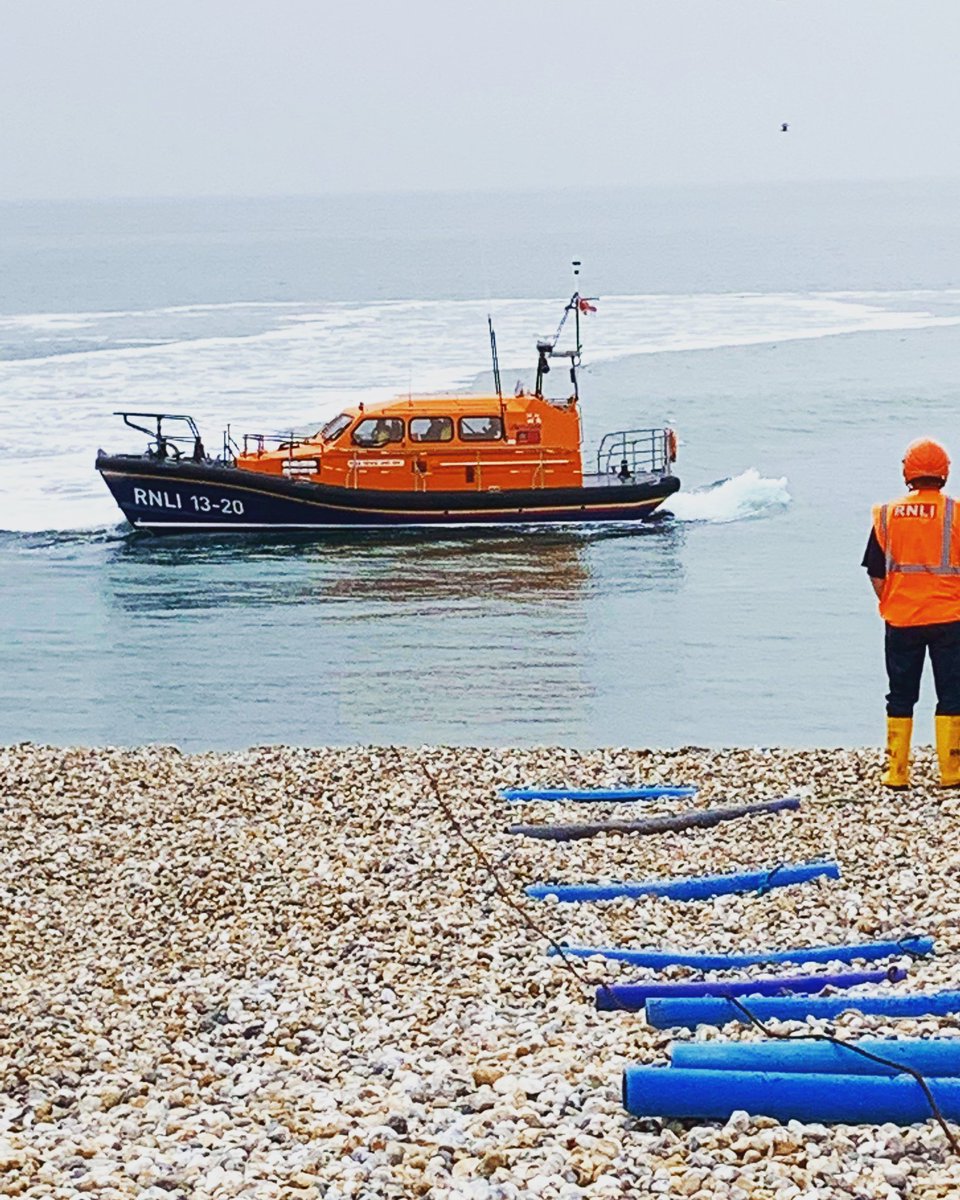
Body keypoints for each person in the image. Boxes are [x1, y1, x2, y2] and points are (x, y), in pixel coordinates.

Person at [863, 438, 960, 788]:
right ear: (944, 472)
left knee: (900, 694)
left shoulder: (887, 515)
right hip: (950, 619)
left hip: (902, 619)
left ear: (908, 472)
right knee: (952, 693)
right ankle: (952, 773)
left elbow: (876, 572)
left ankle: (896, 773)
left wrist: (891, 602)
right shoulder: (957, 514)